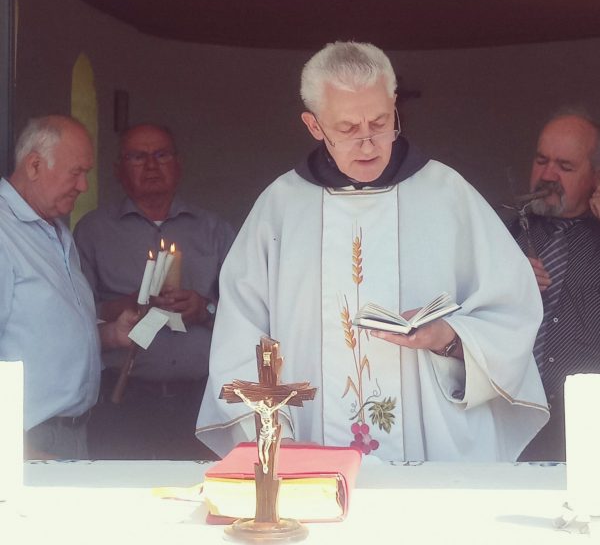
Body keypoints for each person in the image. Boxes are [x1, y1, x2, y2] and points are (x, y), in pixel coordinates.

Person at [196, 41, 549, 462]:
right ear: (314, 125)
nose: (368, 144)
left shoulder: (447, 195)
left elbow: (512, 312)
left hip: (431, 446)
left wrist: (448, 338)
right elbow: (240, 333)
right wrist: (277, 435)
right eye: (348, 129)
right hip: (308, 440)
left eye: (380, 123)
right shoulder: (281, 208)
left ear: (394, 108)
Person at [74, 123, 235, 459]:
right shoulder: (93, 231)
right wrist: (128, 304)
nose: (151, 165)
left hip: (201, 401)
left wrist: (203, 308)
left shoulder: (213, 230)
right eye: (138, 157)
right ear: (118, 169)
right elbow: (75, 314)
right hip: (123, 398)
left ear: (178, 163)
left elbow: (245, 311)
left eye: (161, 155)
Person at [0, 115, 136, 460]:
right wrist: (12, 447)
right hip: (26, 440)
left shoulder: (56, 232)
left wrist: (109, 335)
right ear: (34, 165)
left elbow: (42, 332)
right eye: (76, 172)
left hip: (70, 433)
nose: (84, 186)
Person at [509, 112, 600, 461]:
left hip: (586, 431)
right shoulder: (502, 236)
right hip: (506, 426)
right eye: (541, 160)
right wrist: (502, 283)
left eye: (565, 166)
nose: (548, 175)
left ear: (595, 177)